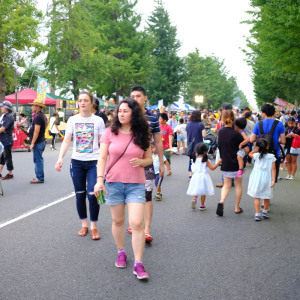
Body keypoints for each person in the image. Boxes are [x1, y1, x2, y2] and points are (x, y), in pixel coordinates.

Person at [94, 98, 152, 280]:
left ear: (133, 113)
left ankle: (138, 263)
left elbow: (149, 159)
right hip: (113, 183)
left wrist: (142, 161)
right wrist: (99, 180)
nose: (121, 114)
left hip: (136, 184)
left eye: (126, 111)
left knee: (136, 223)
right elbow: (102, 158)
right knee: (118, 221)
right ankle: (121, 252)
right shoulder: (110, 132)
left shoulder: (142, 133)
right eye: (120, 111)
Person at [55, 91, 105, 240]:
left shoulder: (98, 121)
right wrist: (60, 158)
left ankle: (94, 227)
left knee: (93, 194)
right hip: (76, 162)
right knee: (80, 194)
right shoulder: (72, 120)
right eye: (80, 100)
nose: (82, 103)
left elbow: (103, 143)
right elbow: (66, 140)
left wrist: (105, 163)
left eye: (85, 100)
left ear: (91, 103)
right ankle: (84, 225)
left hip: (93, 162)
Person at [130, 86, 165, 243]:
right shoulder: (126, 115)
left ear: (145, 98)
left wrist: (162, 163)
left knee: (147, 196)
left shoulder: (152, 118)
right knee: (130, 196)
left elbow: (158, 140)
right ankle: (134, 222)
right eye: (132, 96)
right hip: (128, 163)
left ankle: (147, 230)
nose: (135, 99)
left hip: (147, 162)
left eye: (138, 96)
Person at [216, 110, 244, 216]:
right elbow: (245, 148)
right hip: (237, 165)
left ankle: (222, 200)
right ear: (233, 119)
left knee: (226, 185)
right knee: (238, 185)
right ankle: (237, 208)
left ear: (222, 118)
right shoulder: (236, 134)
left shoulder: (220, 132)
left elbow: (219, 146)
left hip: (226, 162)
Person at [250, 103, 285, 183]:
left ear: (264, 113)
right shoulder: (279, 124)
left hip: (260, 154)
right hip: (274, 155)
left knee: (260, 179)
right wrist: (276, 140)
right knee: (271, 181)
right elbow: (283, 141)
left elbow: (251, 140)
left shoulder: (258, 124)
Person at [247, 138, 276, 221]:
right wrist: (273, 180)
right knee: (267, 195)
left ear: (258, 147)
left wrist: (255, 150)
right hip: (267, 178)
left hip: (256, 177)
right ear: (267, 146)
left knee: (257, 196)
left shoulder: (256, 155)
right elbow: (273, 169)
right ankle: (265, 211)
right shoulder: (271, 157)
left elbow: (249, 154)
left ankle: (257, 214)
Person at [187, 142, 222, 211]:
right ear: (205, 151)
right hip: (203, 177)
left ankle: (194, 199)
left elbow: (193, 169)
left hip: (195, 176)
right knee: (203, 191)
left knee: (196, 189)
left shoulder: (194, 159)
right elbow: (212, 168)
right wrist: (218, 162)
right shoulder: (205, 160)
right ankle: (202, 205)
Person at [28, 99, 48, 184]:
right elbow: (46, 124)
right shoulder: (42, 115)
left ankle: (39, 178)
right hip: (41, 140)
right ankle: (38, 176)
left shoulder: (38, 116)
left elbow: (36, 131)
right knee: (38, 159)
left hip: (38, 142)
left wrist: (32, 143)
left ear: (38, 107)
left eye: (33, 105)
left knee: (38, 160)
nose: (32, 107)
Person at [186, 110, 206, 179]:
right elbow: (204, 135)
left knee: (191, 159)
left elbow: (187, 134)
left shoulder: (188, 124)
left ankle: (190, 173)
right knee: (198, 159)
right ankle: (196, 173)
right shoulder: (201, 124)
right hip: (198, 145)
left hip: (190, 144)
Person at [0, 101, 15, 180]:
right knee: (2, 157)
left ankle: (10, 174)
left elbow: (3, 128)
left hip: (7, 140)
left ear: (7, 108)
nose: (1, 108)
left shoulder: (9, 116)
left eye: (2, 107)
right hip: (2, 140)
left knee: (7, 157)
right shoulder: (4, 116)